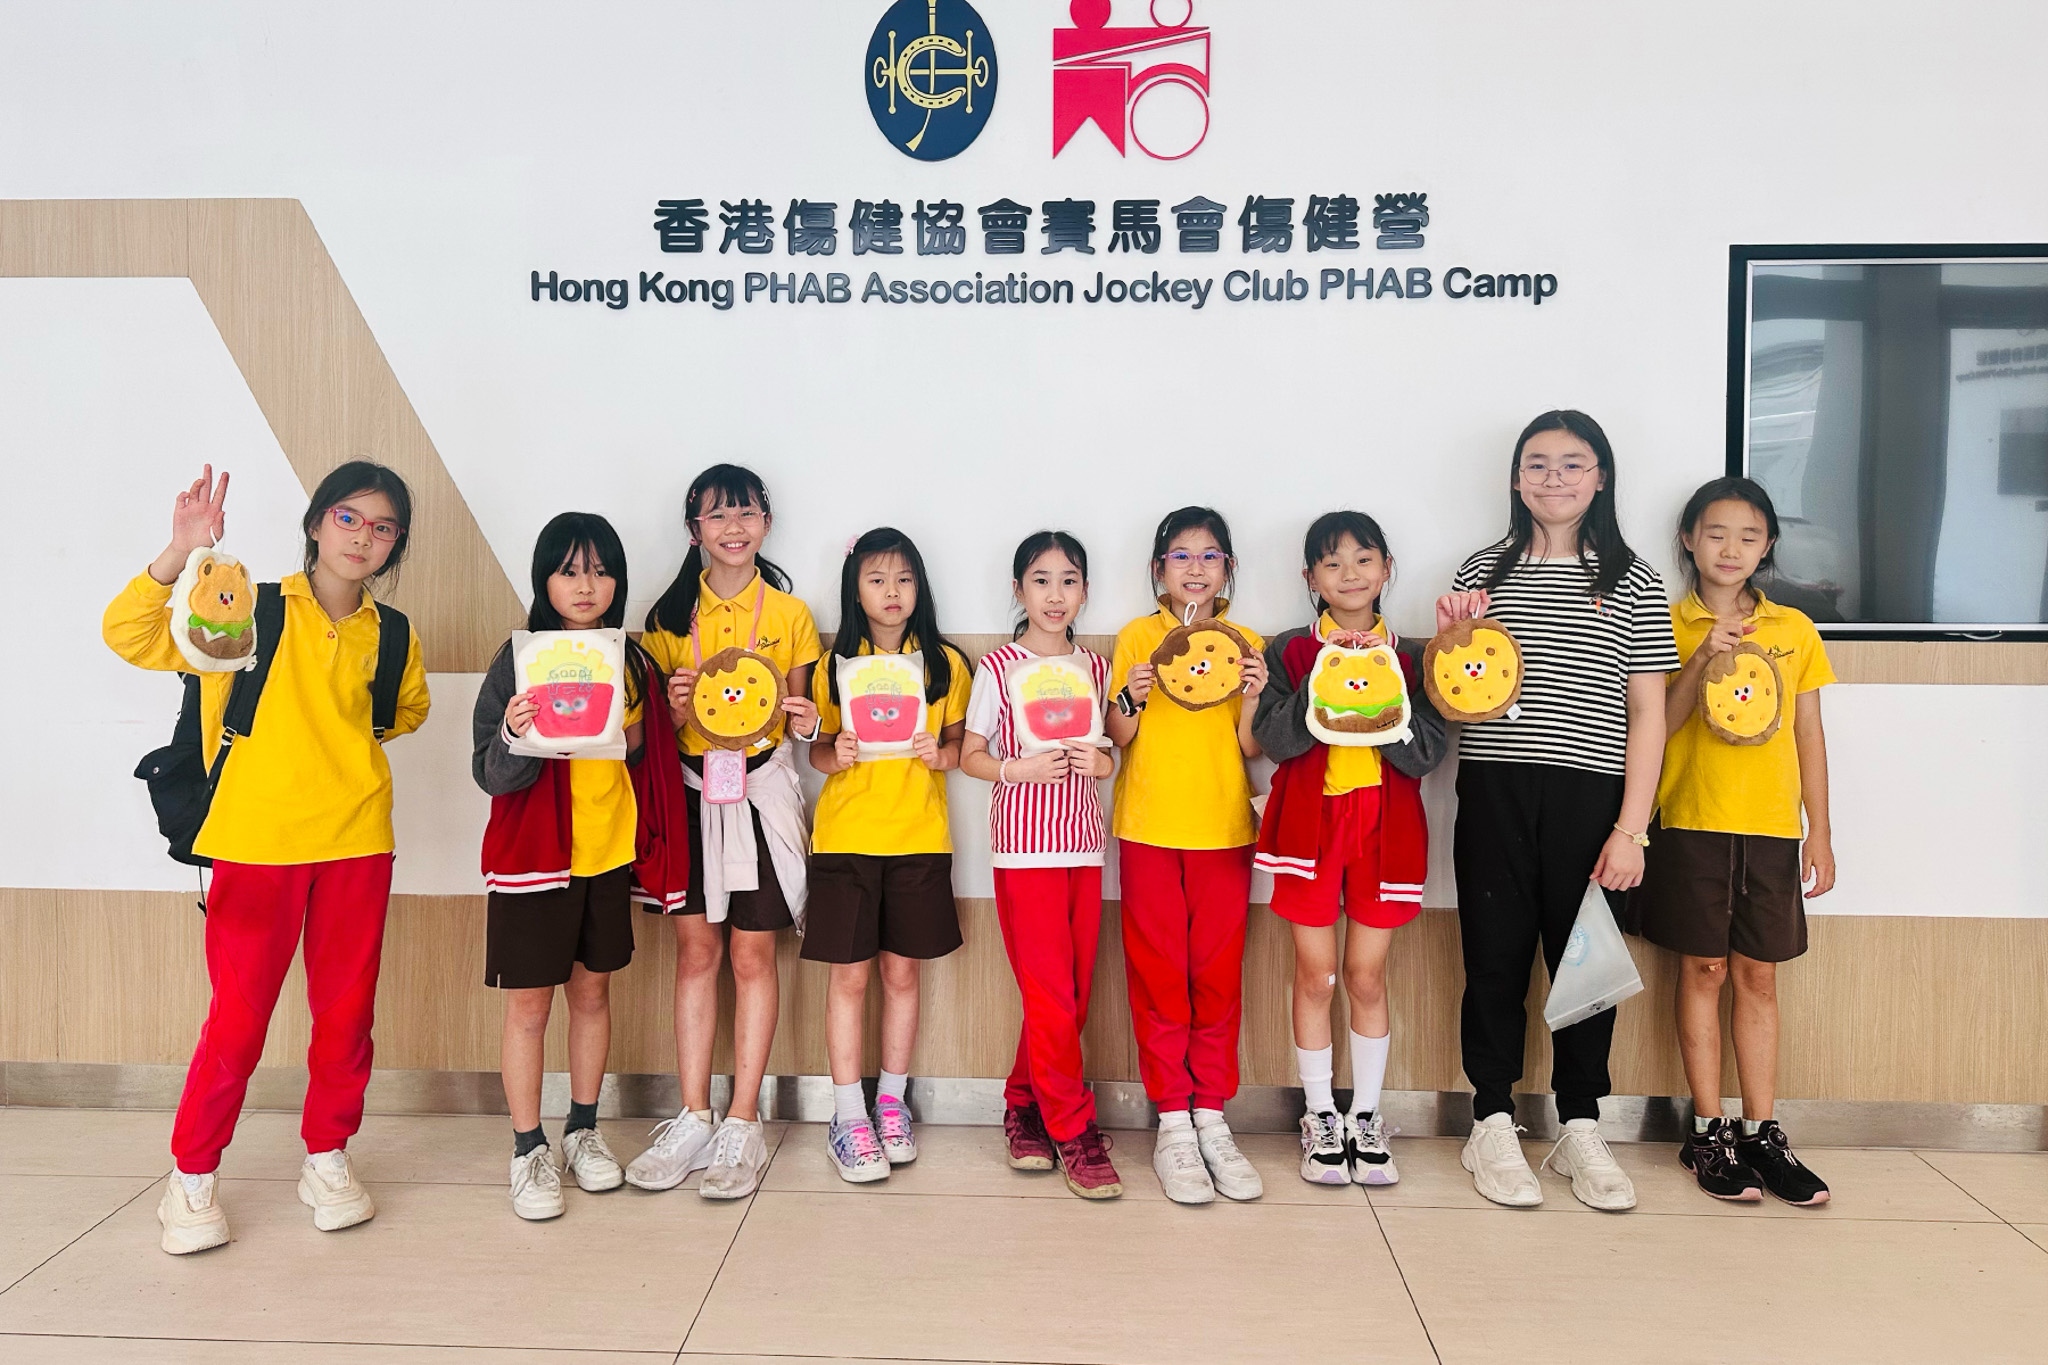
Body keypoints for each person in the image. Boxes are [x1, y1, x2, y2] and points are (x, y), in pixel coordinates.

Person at [104, 462, 430, 1254]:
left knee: (347, 1017)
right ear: (316, 522)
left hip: (358, 841)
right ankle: (191, 1175)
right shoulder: (247, 603)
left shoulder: (392, 633)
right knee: (239, 1021)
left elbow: (406, 708)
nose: (364, 536)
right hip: (255, 842)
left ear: (394, 544)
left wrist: (334, 756)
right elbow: (129, 635)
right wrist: (178, 553)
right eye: (349, 517)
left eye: (383, 527)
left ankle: (327, 1155)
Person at [1436, 410, 1678, 1212]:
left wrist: (1631, 827)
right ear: (1516, 478)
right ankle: (1491, 1118)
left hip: (1593, 797)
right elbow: (1459, 702)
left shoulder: (1635, 579)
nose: (1555, 478)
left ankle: (1580, 1123)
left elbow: (1649, 713)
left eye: (1574, 464)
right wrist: (1451, 646)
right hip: (1495, 787)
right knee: (1495, 958)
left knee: (1588, 967)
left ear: (1600, 477)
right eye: (1537, 463)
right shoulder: (1483, 570)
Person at [1630, 477, 1835, 1205]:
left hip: (1772, 827)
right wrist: (1699, 657)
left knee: (1759, 976)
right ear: (1688, 539)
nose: (1731, 549)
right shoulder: (1663, 621)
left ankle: (1762, 1132)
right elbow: (1656, 724)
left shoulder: (1794, 629)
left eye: (1749, 536)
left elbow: (1809, 734)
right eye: (1715, 533)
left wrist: (1820, 832)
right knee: (1704, 970)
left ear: (1767, 545)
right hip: (1690, 822)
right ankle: (1706, 1132)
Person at [473, 513, 674, 1218]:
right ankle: (528, 1147)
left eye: (600, 570)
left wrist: (662, 717)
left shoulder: (631, 661)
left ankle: (582, 1130)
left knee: (592, 996)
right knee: (529, 1006)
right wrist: (515, 733)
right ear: (545, 580)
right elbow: (488, 773)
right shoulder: (517, 660)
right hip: (533, 861)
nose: (586, 585)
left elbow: (644, 759)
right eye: (569, 570)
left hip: (606, 857)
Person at [628, 464, 821, 1200]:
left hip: (762, 793)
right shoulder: (667, 617)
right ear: (694, 530)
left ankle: (743, 1119)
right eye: (716, 515)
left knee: (752, 953)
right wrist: (673, 709)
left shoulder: (792, 614)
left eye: (745, 513)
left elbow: (798, 719)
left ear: (766, 521)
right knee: (696, 953)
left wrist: (807, 719)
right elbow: (652, 728)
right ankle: (694, 1115)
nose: (733, 527)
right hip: (690, 792)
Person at [1252, 512, 1447, 1189]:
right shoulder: (1289, 650)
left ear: (1387, 568)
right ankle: (1318, 1116)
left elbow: (1426, 754)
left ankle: (1365, 1115)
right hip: (1308, 827)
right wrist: (1328, 673)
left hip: (1385, 831)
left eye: (1364, 559)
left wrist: (1378, 679)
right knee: (1317, 976)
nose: (1350, 574)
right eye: (1331, 563)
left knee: (1365, 976)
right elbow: (1276, 742)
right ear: (1311, 578)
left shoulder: (1415, 656)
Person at [1106, 507, 1269, 1204]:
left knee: (1217, 976)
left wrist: (1256, 695)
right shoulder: (1137, 636)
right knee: (1159, 975)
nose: (1195, 567)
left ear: (1227, 567)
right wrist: (1130, 695)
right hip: (1148, 826)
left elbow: (1250, 747)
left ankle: (1212, 1116)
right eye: (1181, 555)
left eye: (1209, 555)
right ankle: (1173, 1120)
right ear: (1158, 569)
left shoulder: (1245, 642)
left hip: (1225, 829)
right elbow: (1117, 736)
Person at [804, 528, 972, 1183]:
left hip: (918, 839)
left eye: (904, 579)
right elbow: (818, 752)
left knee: (903, 976)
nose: (892, 591)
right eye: (876, 579)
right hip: (846, 839)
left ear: (919, 588)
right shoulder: (832, 666)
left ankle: (892, 1104)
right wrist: (834, 753)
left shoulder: (945, 665)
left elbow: (959, 747)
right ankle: (848, 1115)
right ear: (856, 590)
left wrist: (941, 753)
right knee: (849, 979)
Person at [960, 532, 1122, 1199]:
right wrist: (1015, 769)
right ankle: (1072, 1127)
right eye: (1041, 580)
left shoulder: (1096, 667)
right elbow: (970, 755)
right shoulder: (998, 667)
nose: (1056, 594)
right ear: (1019, 589)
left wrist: (1102, 763)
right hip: (1024, 846)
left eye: (1069, 580)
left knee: (1069, 995)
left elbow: (1110, 750)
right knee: (1051, 993)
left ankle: (1023, 1102)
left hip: (1084, 841)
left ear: (1084, 591)